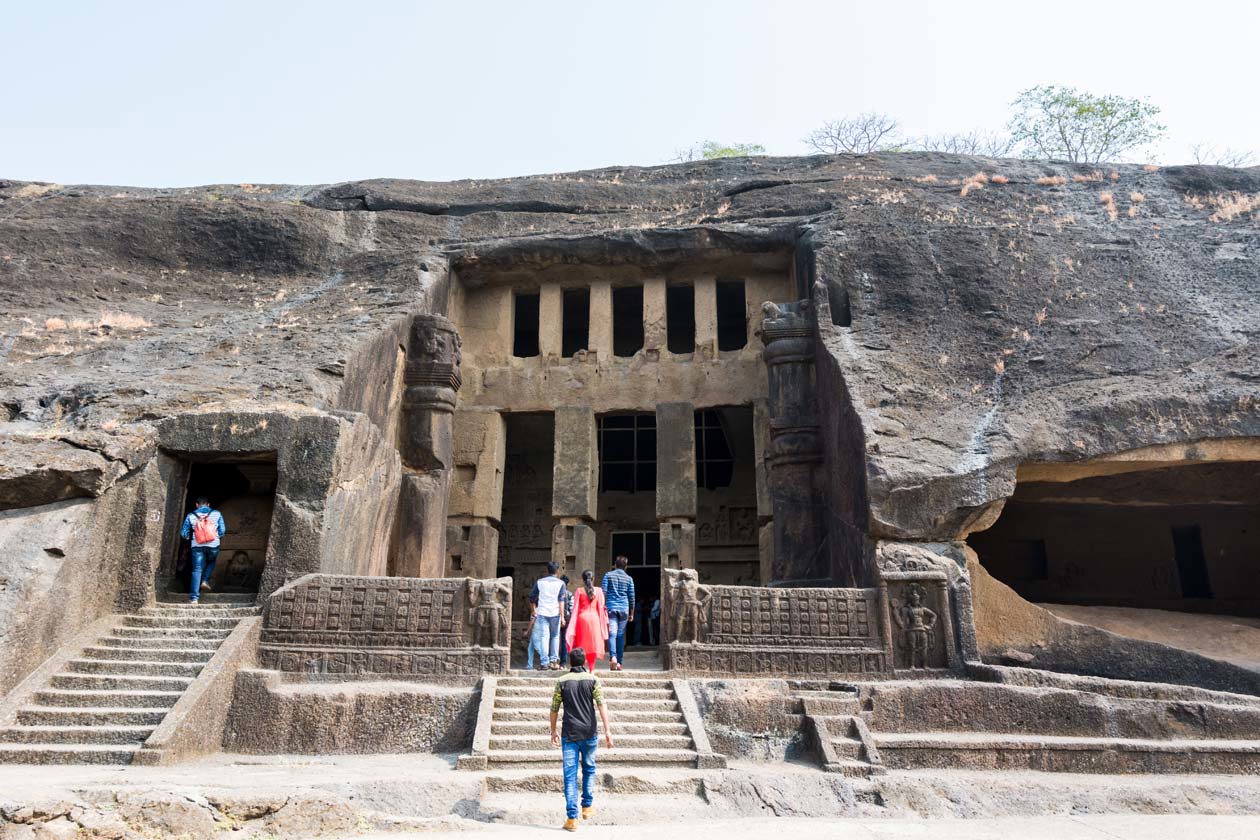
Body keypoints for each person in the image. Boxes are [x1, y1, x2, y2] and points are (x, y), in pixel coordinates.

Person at [550, 647, 614, 832]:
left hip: (569, 734)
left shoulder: (561, 681)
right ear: (585, 662)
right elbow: (601, 704)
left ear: (570, 662)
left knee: (569, 776)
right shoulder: (593, 680)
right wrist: (608, 731)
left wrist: (553, 731)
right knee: (589, 769)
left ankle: (572, 818)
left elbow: (554, 708)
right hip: (589, 733)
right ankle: (587, 806)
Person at [180, 496, 226, 604]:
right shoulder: (217, 514)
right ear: (208, 504)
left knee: (197, 570)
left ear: (197, 505)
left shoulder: (191, 515)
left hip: (197, 545)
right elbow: (222, 531)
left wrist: (193, 538)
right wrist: (215, 537)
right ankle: (205, 580)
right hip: (213, 545)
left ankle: (194, 598)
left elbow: (184, 534)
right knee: (211, 561)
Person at [565, 570, 608, 671]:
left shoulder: (579, 591)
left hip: (582, 619)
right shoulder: (599, 591)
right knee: (592, 645)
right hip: (595, 619)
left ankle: (582, 667)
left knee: (582, 644)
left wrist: (572, 623)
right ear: (593, 579)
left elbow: (575, 608)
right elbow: (601, 608)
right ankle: (592, 670)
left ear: (583, 579)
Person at [528, 561, 567, 670]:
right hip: (555, 613)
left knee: (544, 637)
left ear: (547, 570)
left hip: (542, 613)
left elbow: (531, 597)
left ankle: (544, 662)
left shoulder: (540, 582)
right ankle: (554, 661)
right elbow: (561, 601)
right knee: (555, 636)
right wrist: (563, 617)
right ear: (557, 571)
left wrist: (533, 611)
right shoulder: (561, 583)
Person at [601, 555, 635, 671]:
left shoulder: (608, 575)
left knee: (612, 634)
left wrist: (603, 606)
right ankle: (619, 663)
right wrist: (631, 613)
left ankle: (613, 657)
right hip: (624, 609)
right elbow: (631, 597)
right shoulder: (629, 579)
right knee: (620, 636)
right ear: (626, 566)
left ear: (615, 564)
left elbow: (603, 592)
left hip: (611, 607)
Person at [558, 575, 574, 661]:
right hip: (567, 618)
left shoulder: (556, 593)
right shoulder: (570, 594)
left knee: (555, 638)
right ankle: (563, 662)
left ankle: (553, 660)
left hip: (556, 617)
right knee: (564, 640)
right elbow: (572, 608)